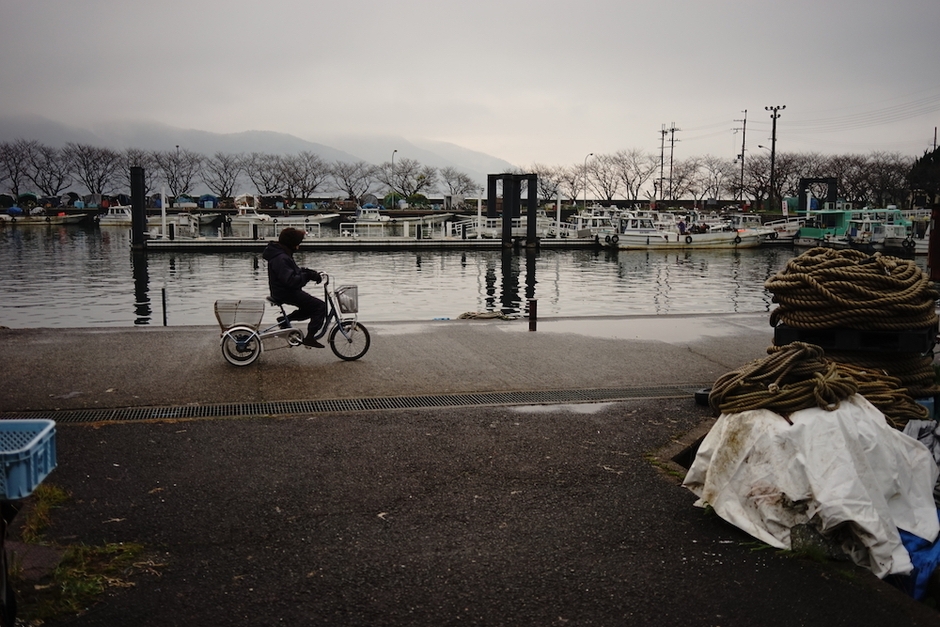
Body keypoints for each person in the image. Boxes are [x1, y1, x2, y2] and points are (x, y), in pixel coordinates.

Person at [262, 227, 327, 348]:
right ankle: (310, 337)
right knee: (320, 307)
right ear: (291, 243)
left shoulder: (282, 254)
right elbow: (291, 280)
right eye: (297, 244)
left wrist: (311, 273)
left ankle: (284, 320)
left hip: (284, 290)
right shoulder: (281, 258)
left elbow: (295, 271)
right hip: (285, 292)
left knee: (311, 307)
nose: (298, 247)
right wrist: (307, 276)